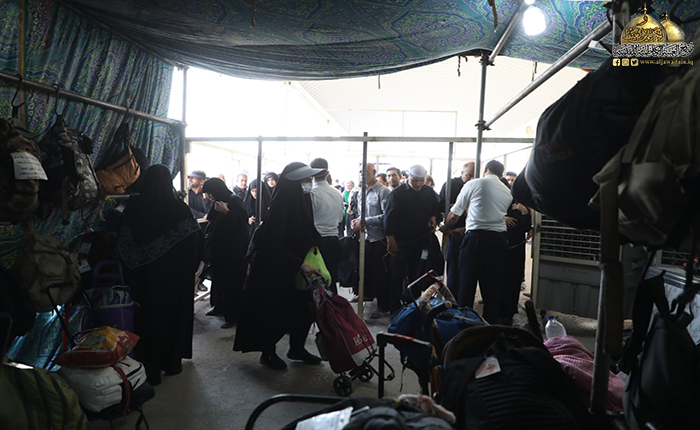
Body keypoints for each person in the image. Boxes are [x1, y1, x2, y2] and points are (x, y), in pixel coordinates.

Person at [234, 162, 324, 371]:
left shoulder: (302, 200)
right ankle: (268, 353)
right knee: (274, 313)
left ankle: (297, 349)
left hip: (295, 267)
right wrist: (299, 263)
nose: (308, 183)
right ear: (293, 182)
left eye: (309, 179)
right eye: (304, 179)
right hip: (275, 270)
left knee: (303, 311)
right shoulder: (281, 205)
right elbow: (271, 243)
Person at [117, 165, 202, 386]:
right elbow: (195, 242)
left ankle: (149, 368)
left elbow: (124, 245)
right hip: (173, 281)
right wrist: (187, 270)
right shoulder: (179, 209)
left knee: (146, 321)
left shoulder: (134, 208)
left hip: (143, 281)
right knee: (171, 319)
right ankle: (171, 363)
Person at [439, 160, 512, 323]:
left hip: (476, 240)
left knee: (467, 281)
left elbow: (454, 214)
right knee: (492, 284)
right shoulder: (507, 191)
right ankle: (490, 323)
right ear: (501, 175)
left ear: (485, 170)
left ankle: (464, 321)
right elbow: (489, 216)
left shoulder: (474, 184)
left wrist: (446, 227)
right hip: (499, 240)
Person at [384, 164, 440, 315]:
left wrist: (434, 217)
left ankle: (413, 305)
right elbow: (389, 218)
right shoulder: (397, 194)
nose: (418, 184)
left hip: (421, 242)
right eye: (415, 180)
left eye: (421, 180)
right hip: (401, 242)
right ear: (407, 177)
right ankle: (395, 309)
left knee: (417, 275)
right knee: (397, 275)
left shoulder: (429, 192)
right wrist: (390, 239)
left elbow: (437, 209)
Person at [201, 178, 250, 329]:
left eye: (210, 193)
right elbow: (210, 218)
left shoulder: (234, 200)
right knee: (219, 281)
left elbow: (242, 221)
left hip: (233, 251)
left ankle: (232, 316)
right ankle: (219, 307)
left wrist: (227, 212)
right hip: (220, 250)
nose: (209, 196)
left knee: (231, 284)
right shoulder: (218, 201)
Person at [351, 162, 391, 317]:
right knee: (365, 270)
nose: (362, 175)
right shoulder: (360, 192)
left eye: (366, 172)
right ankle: (366, 295)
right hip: (364, 238)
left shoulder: (383, 192)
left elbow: (386, 216)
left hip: (378, 239)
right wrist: (357, 221)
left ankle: (383, 306)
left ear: (374, 172)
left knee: (380, 273)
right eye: (360, 172)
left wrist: (366, 221)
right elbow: (360, 213)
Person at [438, 162, 475, 300]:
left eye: (474, 176)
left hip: (472, 231)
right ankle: (452, 298)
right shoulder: (451, 185)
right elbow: (440, 204)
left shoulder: (479, 186)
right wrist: (453, 207)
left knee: (469, 267)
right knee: (453, 265)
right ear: (462, 173)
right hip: (454, 231)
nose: (471, 179)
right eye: (468, 175)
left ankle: (464, 300)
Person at [498, 178, 532, 325]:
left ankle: (509, 312)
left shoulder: (521, 203)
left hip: (516, 248)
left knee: (513, 280)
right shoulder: (497, 203)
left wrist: (524, 212)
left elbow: (525, 227)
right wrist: (502, 219)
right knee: (497, 279)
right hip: (499, 247)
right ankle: (496, 310)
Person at [309, 158, 344, 292]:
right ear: (327, 173)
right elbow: (340, 219)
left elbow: (308, 220)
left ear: (311, 173)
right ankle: (334, 305)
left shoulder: (311, 194)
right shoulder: (337, 193)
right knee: (331, 281)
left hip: (316, 243)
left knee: (316, 283)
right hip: (334, 241)